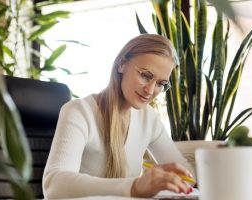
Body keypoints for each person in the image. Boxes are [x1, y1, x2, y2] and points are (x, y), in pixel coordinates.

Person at [42, 34, 194, 199]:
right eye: (145, 75)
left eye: (160, 84)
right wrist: (135, 186)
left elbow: (186, 175)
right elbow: (54, 184)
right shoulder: (79, 111)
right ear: (122, 64)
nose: (150, 91)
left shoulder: (149, 119)